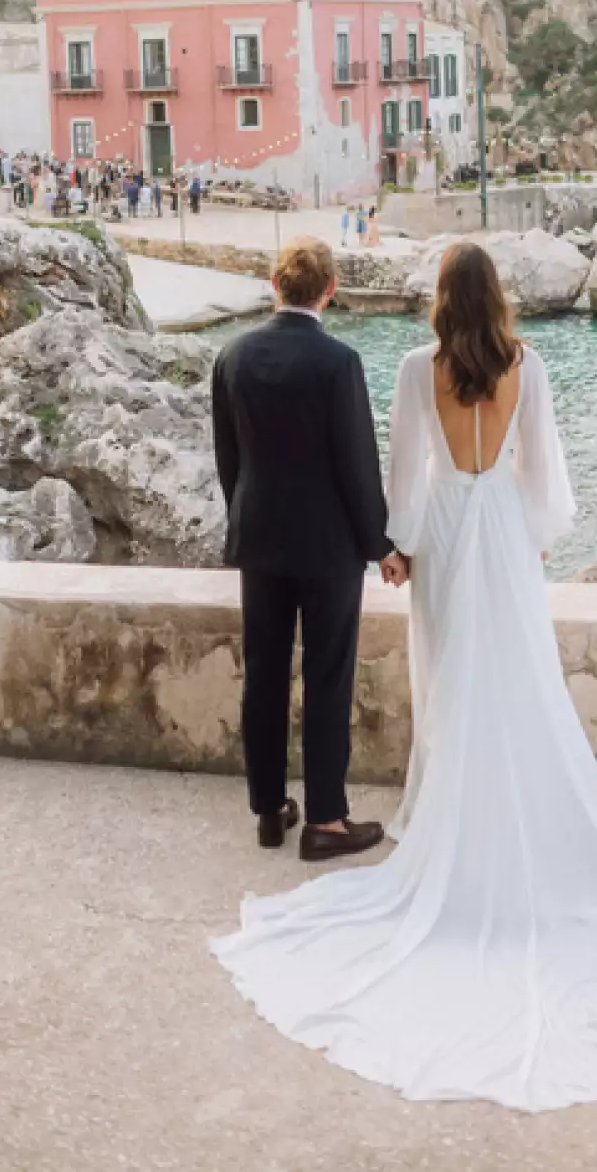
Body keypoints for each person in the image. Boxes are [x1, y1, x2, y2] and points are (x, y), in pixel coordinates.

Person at [212, 241, 597, 1111]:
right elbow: (545, 477)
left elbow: (404, 478)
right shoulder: (527, 367)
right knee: (514, 673)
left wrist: (402, 546)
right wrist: (531, 529)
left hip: (450, 539)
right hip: (501, 529)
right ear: (498, 295)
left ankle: (445, 818)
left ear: (437, 298)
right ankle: (515, 820)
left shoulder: (416, 370)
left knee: (451, 677)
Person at [210, 237, 405, 863]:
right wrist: (382, 545)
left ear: (275, 285)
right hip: (326, 550)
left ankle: (269, 810)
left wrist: (246, 518)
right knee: (326, 676)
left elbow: (228, 460)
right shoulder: (338, 362)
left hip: (259, 540)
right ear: (330, 290)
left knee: (263, 675)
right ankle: (326, 818)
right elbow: (356, 463)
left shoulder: (231, 357)